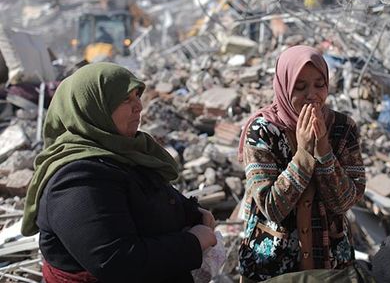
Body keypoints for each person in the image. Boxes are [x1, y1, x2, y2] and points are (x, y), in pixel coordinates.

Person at [21, 62, 217, 283]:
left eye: (137, 96)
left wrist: (193, 212)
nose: (139, 107)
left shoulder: (123, 153)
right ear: (92, 108)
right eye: (126, 99)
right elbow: (116, 261)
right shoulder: (75, 181)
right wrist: (193, 242)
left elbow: (150, 199)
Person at [238, 45, 366, 281]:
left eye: (320, 85)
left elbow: (345, 202)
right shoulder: (262, 132)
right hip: (273, 267)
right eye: (300, 86)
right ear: (284, 87)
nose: (312, 95)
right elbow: (272, 207)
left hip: (331, 265)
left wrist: (324, 152)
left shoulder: (342, 128)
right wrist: (304, 154)